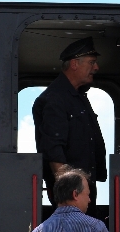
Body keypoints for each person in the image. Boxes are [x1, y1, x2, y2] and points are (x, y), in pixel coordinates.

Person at [33, 36, 107, 220]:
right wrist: (69, 194)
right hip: (72, 196)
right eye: (91, 62)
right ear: (74, 64)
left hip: (82, 192)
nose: (96, 68)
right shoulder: (54, 99)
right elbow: (53, 149)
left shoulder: (79, 98)